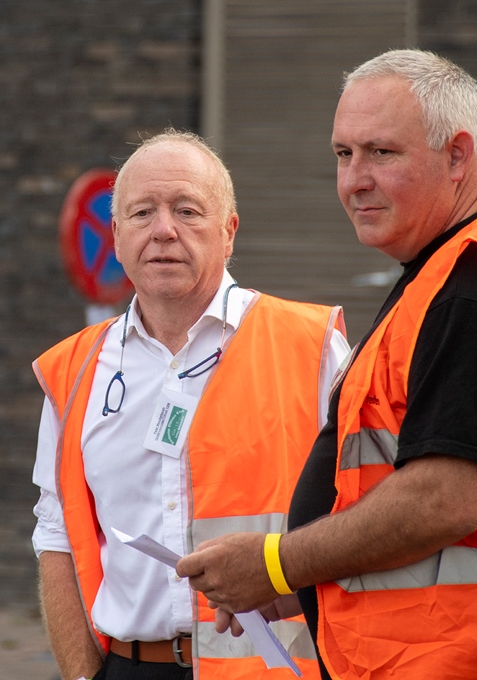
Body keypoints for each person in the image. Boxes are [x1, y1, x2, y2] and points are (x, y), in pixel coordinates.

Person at [178, 50, 477, 680]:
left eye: (381, 153)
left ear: (458, 155)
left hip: (470, 658)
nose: (355, 180)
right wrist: (309, 581)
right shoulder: (465, 267)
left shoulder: (476, 289)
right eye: (343, 154)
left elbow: (447, 496)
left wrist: (279, 564)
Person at [31, 128, 349, 680]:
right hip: (130, 668)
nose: (163, 230)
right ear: (115, 236)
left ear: (229, 232)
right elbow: (56, 534)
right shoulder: (74, 370)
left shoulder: (312, 347)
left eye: (187, 210)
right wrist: (84, 675)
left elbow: (363, 510)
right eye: (142, 213)